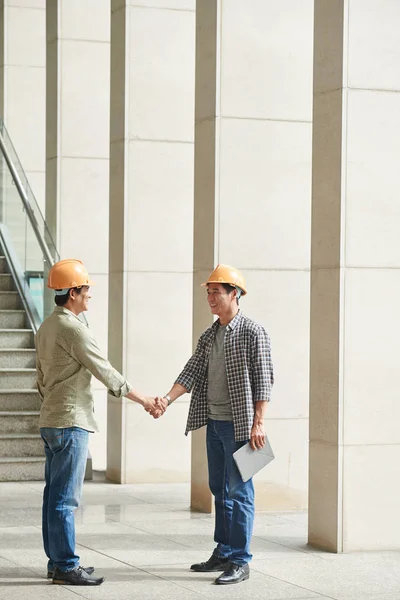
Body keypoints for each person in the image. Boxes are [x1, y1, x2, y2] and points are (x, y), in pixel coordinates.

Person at [36, 259, 156, 586]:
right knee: (65, 499)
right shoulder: (74, 329)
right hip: (71, 422)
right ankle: (65, 564)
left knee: (53, 495)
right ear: (73, 292)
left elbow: (41, 379)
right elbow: (104, 370)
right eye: (86, 290)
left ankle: (56, 560)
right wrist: (144, 399)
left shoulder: (47, 326)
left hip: (51, 420)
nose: (89, 295)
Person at [152, 264, 274, 585]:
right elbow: (191, 371)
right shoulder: (209, 335)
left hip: (243, 426)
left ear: (235, 294)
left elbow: (264, 380)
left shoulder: (253, 332)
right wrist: (166, 398)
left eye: (215, 293)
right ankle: (223, 551)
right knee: (218, 490)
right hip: (215, 423)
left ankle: (240, 559)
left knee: (240, 491)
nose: (210, 298)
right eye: (208, 293)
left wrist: (259, 423)